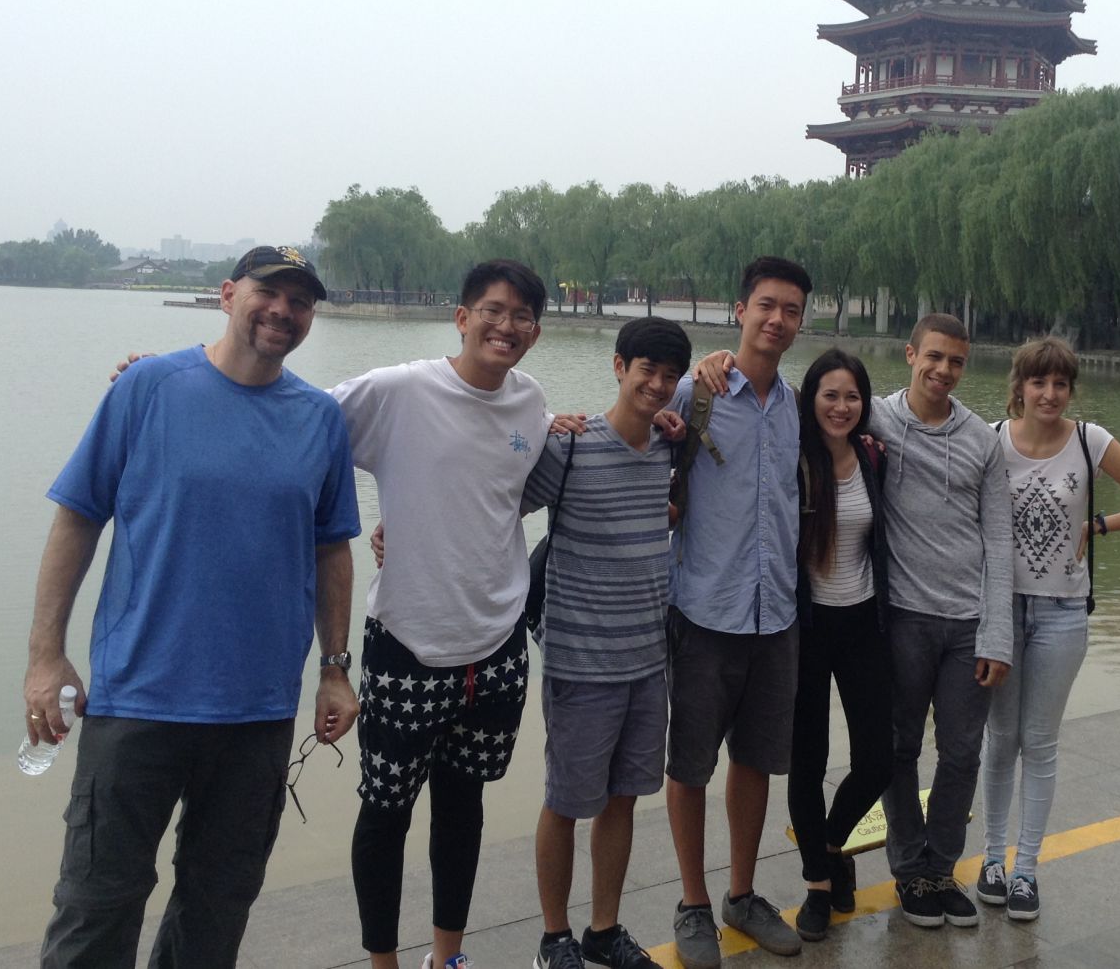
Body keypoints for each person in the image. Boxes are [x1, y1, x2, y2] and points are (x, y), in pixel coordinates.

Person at [23, 245, 360, 968]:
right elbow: (77, 516)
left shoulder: (319, 418)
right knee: (96, 905)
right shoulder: (147, 387)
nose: (283, 311)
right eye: (269, 293)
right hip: (138, 701)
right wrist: (46, 655)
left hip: (258, 714)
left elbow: (332, 549)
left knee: (216, 908)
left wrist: (335, 669)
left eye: (301, 301)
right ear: (228, 294)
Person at [333, 259, 553, 969]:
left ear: (535, 331)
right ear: (462, 318)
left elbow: (503, 485)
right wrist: (184, 376)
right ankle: (384, 962)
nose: (506, 326)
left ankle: (448, 957)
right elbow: (294, 417)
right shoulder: (399, 390)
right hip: (408, 643)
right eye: (493, 310)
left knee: (463, 809)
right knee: (386, 812)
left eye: (521, 316)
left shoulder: (531, 403)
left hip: (497, 649)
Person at [976, 335, 1120, 921]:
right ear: (1019, 387)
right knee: (1000, 738)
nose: (1050, 394)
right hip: (1000, 610)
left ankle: (1026, 870)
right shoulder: (990, 439)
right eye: (1038, 382)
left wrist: (1098, 525)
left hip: (1062, 614)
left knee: (1039, 742)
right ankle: (991, 859)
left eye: (1060, 384)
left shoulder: (1091, 441)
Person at [524, 317, 692, 969]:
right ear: (619, 366)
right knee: (566, 801)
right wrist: (396, 532)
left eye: (670, 376)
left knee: (623, 798)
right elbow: (494, 504)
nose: (657, 385)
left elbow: (670, 513)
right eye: (646, 369)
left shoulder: (668, 449)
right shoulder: (568, 447)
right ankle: (553, 937)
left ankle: (603, 929)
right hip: (580, 663)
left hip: (648, 662)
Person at [665, 256, 811, 969]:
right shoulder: (694, 390)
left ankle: (742, 894)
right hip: (703, 611)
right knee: (690, 765)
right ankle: (694, 903)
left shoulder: (796, 405)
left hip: (775, 615)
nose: (777, 319)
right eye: (766, 305)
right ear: (740, 309)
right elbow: (627, 439)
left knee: (756, 762)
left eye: (791, 309)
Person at [871, 313, 1013, 930]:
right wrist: (714, 368)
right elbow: (812, 401)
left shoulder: (983, 439)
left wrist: (998, 634)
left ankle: (942, 866)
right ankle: (909, 870)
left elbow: (999, 541)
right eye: (933, 357)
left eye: (956, 361)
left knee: (960, 753)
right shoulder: (875, 416)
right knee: (898, 747)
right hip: (903, 617)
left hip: (967, 625)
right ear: (910, 354)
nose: (943, 370)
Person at [785, 349, 892, 943]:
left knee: (879, 758)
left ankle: (829, 846)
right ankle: (818, 886)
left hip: (863, 621)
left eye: (852, 396)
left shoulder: (873, 456)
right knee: (808, 759)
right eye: (830, 395)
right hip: (806, 625)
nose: (841, 407)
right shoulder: (793, 458)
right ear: (811, 399)